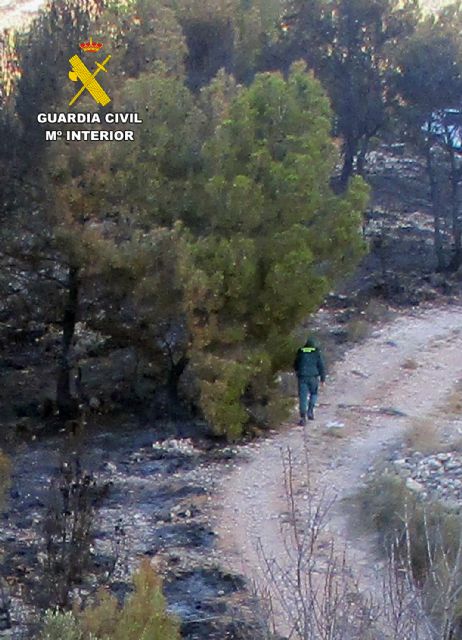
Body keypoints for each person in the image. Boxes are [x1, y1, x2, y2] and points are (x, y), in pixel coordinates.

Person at [293, 337, 326, 425]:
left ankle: (303, 417)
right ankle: (310, 411)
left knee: (303, 396)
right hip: (313, 377)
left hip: (302, 376)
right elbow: (321, 366)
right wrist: (323, 379)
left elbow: (296, 364)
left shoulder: (301, 351)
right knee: (314, 394)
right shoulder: (316, 352)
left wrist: (297, 371)